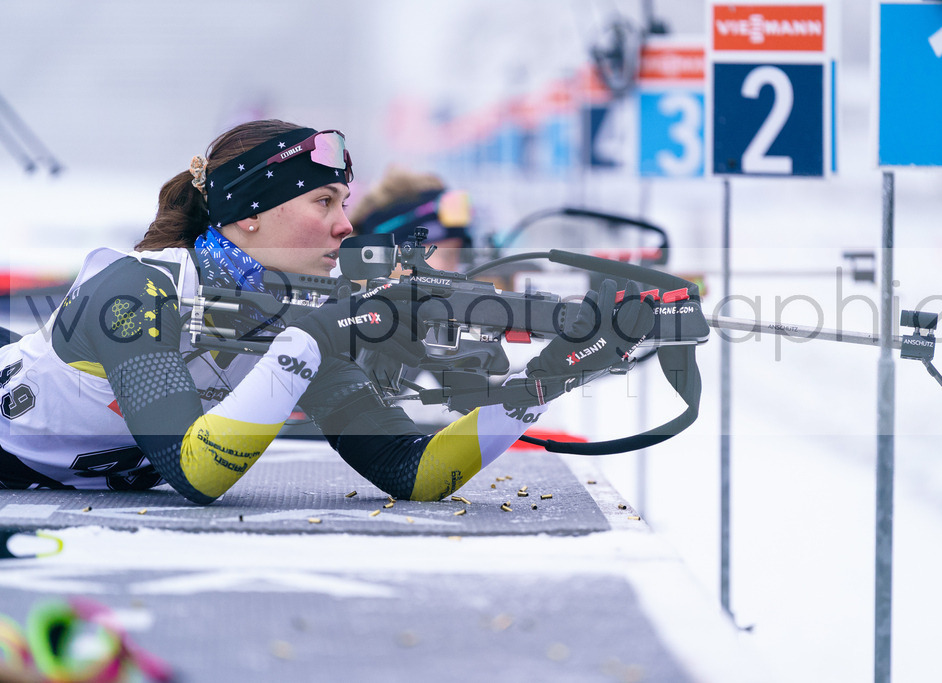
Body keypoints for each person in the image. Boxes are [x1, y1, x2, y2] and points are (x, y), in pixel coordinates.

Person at [0, 119, 654, 505]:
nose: (346, 227)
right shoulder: (136, 290)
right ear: (248, 214)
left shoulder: (303, 312)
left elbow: (414, 470)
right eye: (324, 203)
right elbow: (193, 472)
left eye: (345, 202)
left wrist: (543, 383)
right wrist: (312, 339)